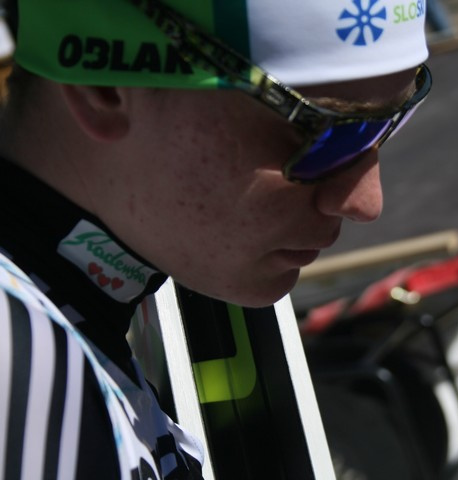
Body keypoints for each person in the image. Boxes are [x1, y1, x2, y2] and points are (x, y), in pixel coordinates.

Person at [0, 0, 431, 478]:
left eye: (394, 120)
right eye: (324, 130)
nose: (367, 201)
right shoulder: (15, 358)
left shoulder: (63, 320)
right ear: (102, 86)